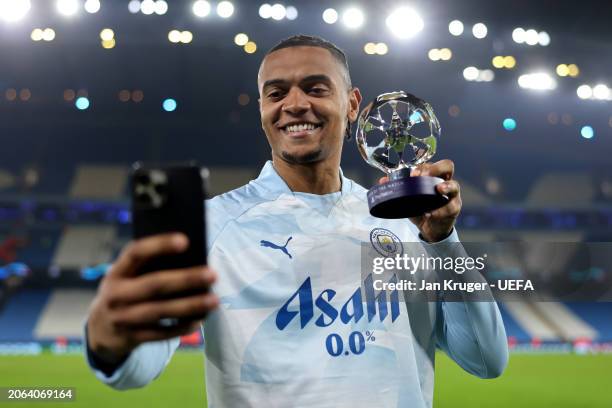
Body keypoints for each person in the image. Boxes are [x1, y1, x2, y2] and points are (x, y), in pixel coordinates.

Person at [84, 35, 508, 407]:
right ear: (263, 110)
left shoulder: (404, 222)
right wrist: (109, 339)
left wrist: (443, 240)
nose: (294, 104)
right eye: (276, 93)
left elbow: (487, 360)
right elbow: (138, 367)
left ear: (353, 103)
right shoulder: (211, 226)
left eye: (315, 88)